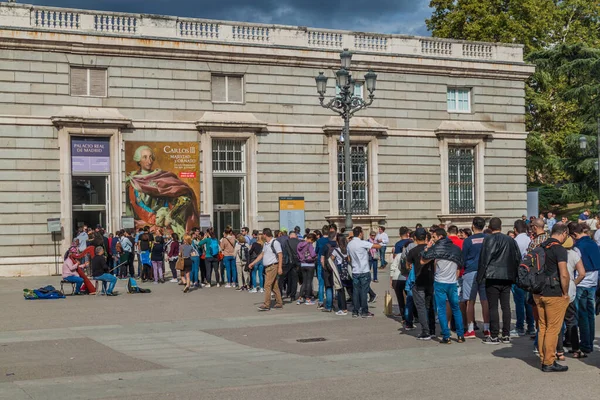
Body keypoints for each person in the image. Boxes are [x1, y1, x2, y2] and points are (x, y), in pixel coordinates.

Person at [126, 145, 199, 238]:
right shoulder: (132, 180)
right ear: (138, 161)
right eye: (145, 157)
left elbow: (179, 197)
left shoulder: (162, 176)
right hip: (145, 223)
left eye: (151, 157)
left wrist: (170, 214)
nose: (149, 161)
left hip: (164, 221)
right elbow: (134, 205)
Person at [533, 224, 570, 372]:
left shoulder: (541, 246)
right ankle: (549, 361)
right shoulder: (559, 249)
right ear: (564, 233)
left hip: (538, 292)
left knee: (542, 326)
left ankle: (543, 357)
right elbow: (564, 273)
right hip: (553, 292)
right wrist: (565, 292)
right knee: (553, 329)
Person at [477, 217, 521, 345]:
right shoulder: (510, 240)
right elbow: (517, 257)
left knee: (493, 307)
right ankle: (506, 334)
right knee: (506, 306)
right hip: (507, 276)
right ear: (501, 227)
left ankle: (494, 335)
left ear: (490, 227)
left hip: (492, 276)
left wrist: (480, 276)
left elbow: (484, 259)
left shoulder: (488, 239)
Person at [421, 228, 464, 344]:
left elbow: (423, 259)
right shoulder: (456, 249)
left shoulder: (436, 248)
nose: (432, 239)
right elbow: (460, 265)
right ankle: (460, 335)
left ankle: (446, 336)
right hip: (452, 282)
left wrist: (428, 246)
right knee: (455, 308)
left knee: (441, 310)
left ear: (440, 237)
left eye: (434, 237)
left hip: (440, 282)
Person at [570, 222, 600, 354]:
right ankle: (590, 340)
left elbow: (577, 265)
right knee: (590, 314)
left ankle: (586, 343)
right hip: (593, 281)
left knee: (582, 315)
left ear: (574, 234)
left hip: (581, 282)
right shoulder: (594, 243)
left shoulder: (578, 246)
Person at [558, 236, 586, 359]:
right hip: (570, 289)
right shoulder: (574, 254)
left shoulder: (556, 253)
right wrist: (574, 282)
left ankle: (558, 350)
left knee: (557, 322)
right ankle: (576, 349)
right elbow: (582, 273)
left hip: (557, 288)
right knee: (571, 321)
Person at [461, 217, 490, 338]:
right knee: (485, 301)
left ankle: (471, 329)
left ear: (473, 226)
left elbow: (463, 258)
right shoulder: (488, 239)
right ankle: (487, 328)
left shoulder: (468, 241)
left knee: (470, 301)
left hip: (470, 272)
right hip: (485, 272)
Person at [347, 226, 381, 318]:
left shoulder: (349, 244)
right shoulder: (362, 243)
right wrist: (378, 241)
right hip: (364, 270)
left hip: (355, 270)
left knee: (356, 291)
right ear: (360, 233)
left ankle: (355, 311)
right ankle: (364, 311)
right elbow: (377, 246)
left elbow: (349, 258)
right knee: (364, 291)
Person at [248, 228, 283, 311]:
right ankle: (279, 302)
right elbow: (261, 255)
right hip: (267, 267)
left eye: (262, 234)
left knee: (267, 285)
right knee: (274, 286)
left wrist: (280, 267)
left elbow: (280, 255)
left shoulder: (275, 242)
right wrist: (253, 263)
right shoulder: (266, 244)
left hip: (273, 266)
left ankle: (266, 305)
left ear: (265, 234)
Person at [512, 219, 536, 337]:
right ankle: (531, 326)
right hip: (530, 274)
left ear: (515, 230)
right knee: (529, 302)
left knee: (519, 302)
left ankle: (520, 326)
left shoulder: (515, 241)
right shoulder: (530, 240)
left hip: (518, 274)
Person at [390, 227, 412, 318]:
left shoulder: (398, 244)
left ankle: (404, 314)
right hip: (410, 273)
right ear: (407, 233)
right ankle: (412, 314)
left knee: (401, 295)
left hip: (400, 274)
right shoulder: (411, 242)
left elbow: (395, 259)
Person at [331, 233, 351, 315]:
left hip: (340, 270)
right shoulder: (348, 248)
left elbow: (331, 259)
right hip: (348, 270)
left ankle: (343, 308)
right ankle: (358, 306)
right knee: (351, 290)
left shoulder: (336, 250)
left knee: (340, 290)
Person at [297, 233, 318, 305]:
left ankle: (300, 298)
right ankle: (308, 299)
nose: (313, 242)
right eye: (313, 241)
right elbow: (313, 254)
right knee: (309, 282)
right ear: (311, 239)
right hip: (310, 265)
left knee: (304, 282)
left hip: (302, 264)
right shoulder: (309, 245)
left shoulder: (300, 244)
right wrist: (316, 256)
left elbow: (298, 253)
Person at [282, 230, 301, 301]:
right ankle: (293, 295)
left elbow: (284, 252)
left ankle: (288, 292)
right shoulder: (299, 242)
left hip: (288, 262)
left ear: (290, 236)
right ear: (295, 236)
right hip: (297, 262)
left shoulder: (287, 242)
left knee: (288, 278)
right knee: (295, 279)